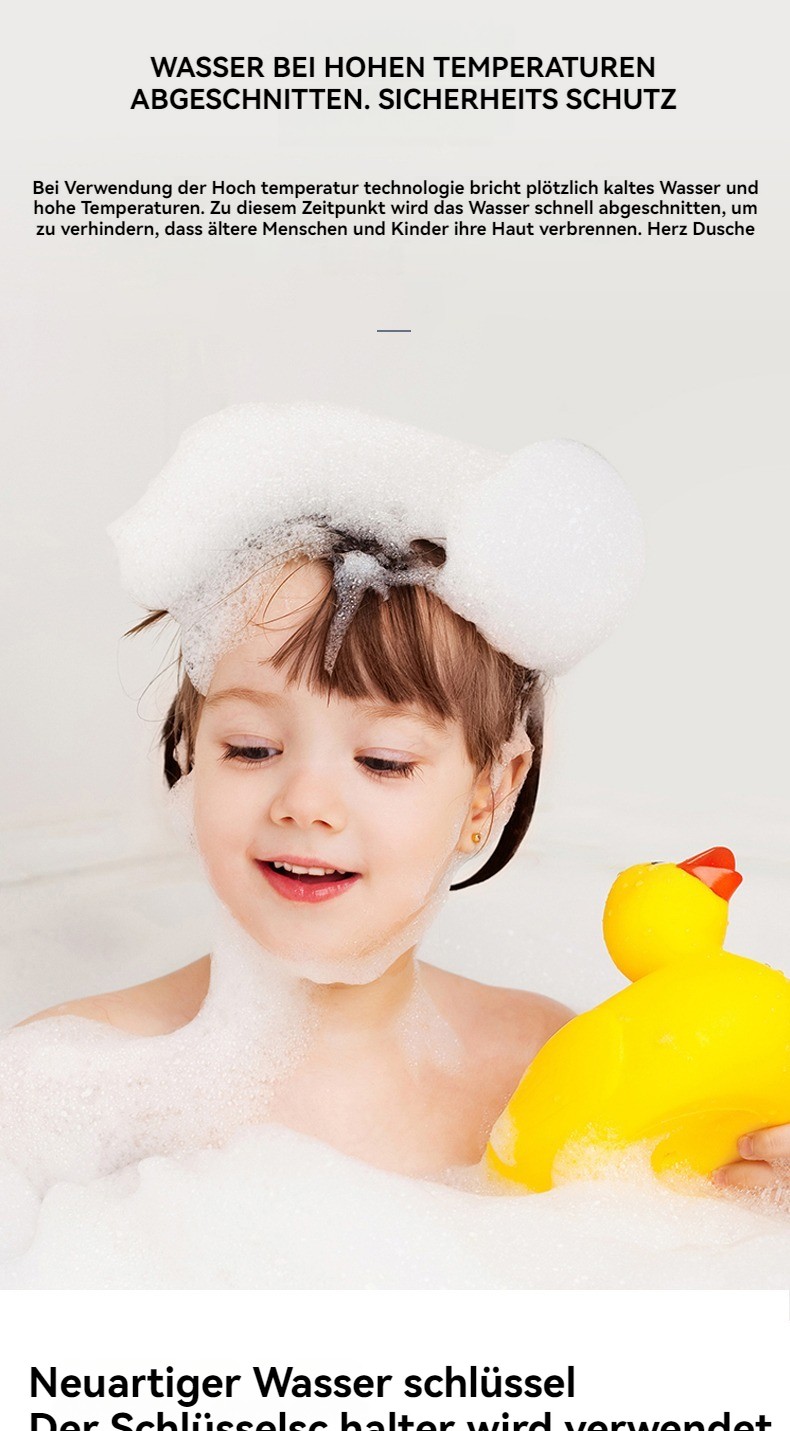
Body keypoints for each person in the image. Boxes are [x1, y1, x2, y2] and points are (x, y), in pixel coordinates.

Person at [25, 399, 784, 1198]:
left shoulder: (548, 1074)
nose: (305, 803)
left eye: (382, 762)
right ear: (191, 757)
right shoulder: (73, 1087)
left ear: (489, 794)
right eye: (250, 748)